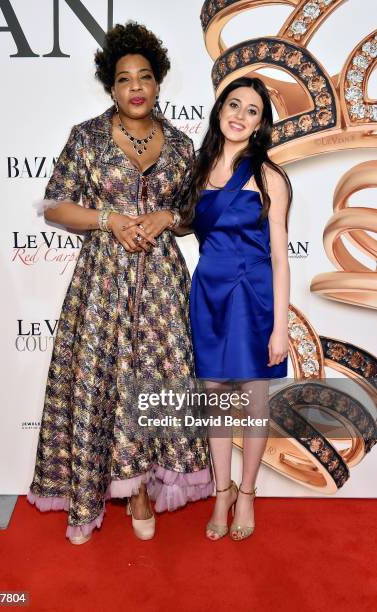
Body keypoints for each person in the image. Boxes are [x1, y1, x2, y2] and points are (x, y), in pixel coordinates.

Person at [27, 22, 212, 545]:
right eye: (124, 78)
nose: (135, 87)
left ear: (158, 84)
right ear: (111, 86)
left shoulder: (179, 144)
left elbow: (195, 212)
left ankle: (142, 491)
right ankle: (90, 497)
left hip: (160, 287)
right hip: (103, 281)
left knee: (158, 383)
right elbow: (56, 205)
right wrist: (109, 219)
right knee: (98, 383)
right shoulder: (85, 137)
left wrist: (166, 219)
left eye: (146, 77)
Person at [184, 76, 292, 541]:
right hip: (208, 292)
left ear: (261, 123)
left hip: (254, 298)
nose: (240, 115)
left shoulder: (269, 176)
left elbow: (281, 258)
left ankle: (246, 493)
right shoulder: (197, 169)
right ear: (219, 110)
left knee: (252, 404)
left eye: (252, 110)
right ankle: (221, 491)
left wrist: (280, 328)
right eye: (234, 104)